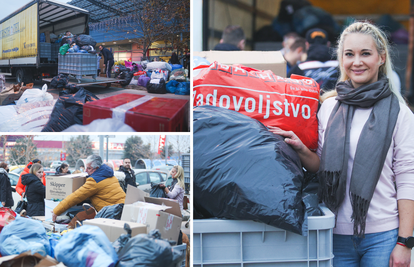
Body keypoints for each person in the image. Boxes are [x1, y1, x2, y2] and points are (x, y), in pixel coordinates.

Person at [270, 21, 414, 267]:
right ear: (341, 59)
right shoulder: (328, 107)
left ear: (381, 58)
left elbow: (407, 178)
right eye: (349, 54)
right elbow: (321, 167)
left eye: (365, 53)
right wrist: (302, 149)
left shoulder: (400, 114)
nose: (357, 62)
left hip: (383, 236)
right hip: (333, 232)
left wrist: (404, 242)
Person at [51, 155, 125, 222]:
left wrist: (56, 211)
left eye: (89, 168)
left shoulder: (94, 181)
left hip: (113, 215)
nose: (86, 171)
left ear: (96, 168)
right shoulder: (110, 175)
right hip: (123, 210)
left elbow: (76, 196)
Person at [288, 28, 339, 95]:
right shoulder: (340, 66)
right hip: (335, 105)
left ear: (307, 45)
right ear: (328, 44)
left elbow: (289, 93)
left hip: (308, 105)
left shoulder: (298, 68)